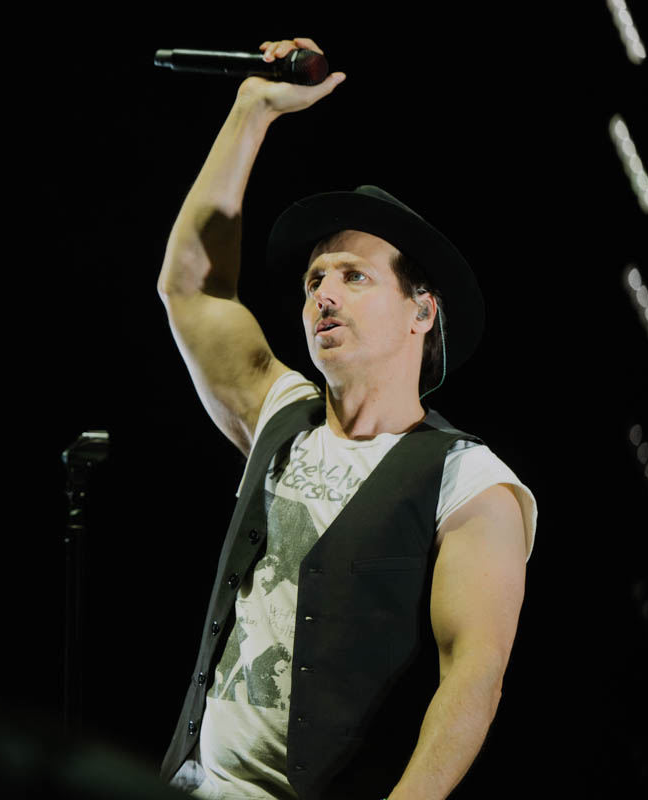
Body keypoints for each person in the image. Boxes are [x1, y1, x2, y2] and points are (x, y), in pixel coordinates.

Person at [155, 37, 537, 800]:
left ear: (421, 312)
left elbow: (474, 675)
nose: (322, 295)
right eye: (313, 280)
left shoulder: (469, 481)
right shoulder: (282, 412)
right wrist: (251, 111)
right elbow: (192, 290)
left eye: (354, 277)